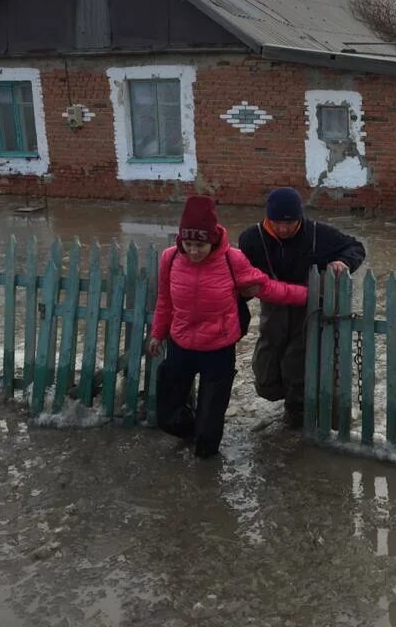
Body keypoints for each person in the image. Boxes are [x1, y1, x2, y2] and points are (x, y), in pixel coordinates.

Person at [148, 195, 308, 458]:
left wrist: (307, 296)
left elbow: (267, 287)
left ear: (212, 239)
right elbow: (165, 300)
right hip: (180, 346)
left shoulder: (232, 260)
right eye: (188, 244)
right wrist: (157, 333)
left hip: (218, 351)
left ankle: (205, 476)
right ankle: (191, 432)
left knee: (209, 437)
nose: (194, 251)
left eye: (200, 245)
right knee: (167, 416)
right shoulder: (170, 258)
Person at [238, 187, 366, 429]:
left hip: (309, 309)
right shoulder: (251, 238)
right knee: (266, 369)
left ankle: (298, 417)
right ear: (268, 218)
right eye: (277, 223)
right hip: (273, 308)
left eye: (291, 223)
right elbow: (238, 273)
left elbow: (355, 247)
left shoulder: (318, 233)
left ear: (300, 218)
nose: (284, 229)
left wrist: (343, 261)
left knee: (296, 363)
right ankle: (283, 398)